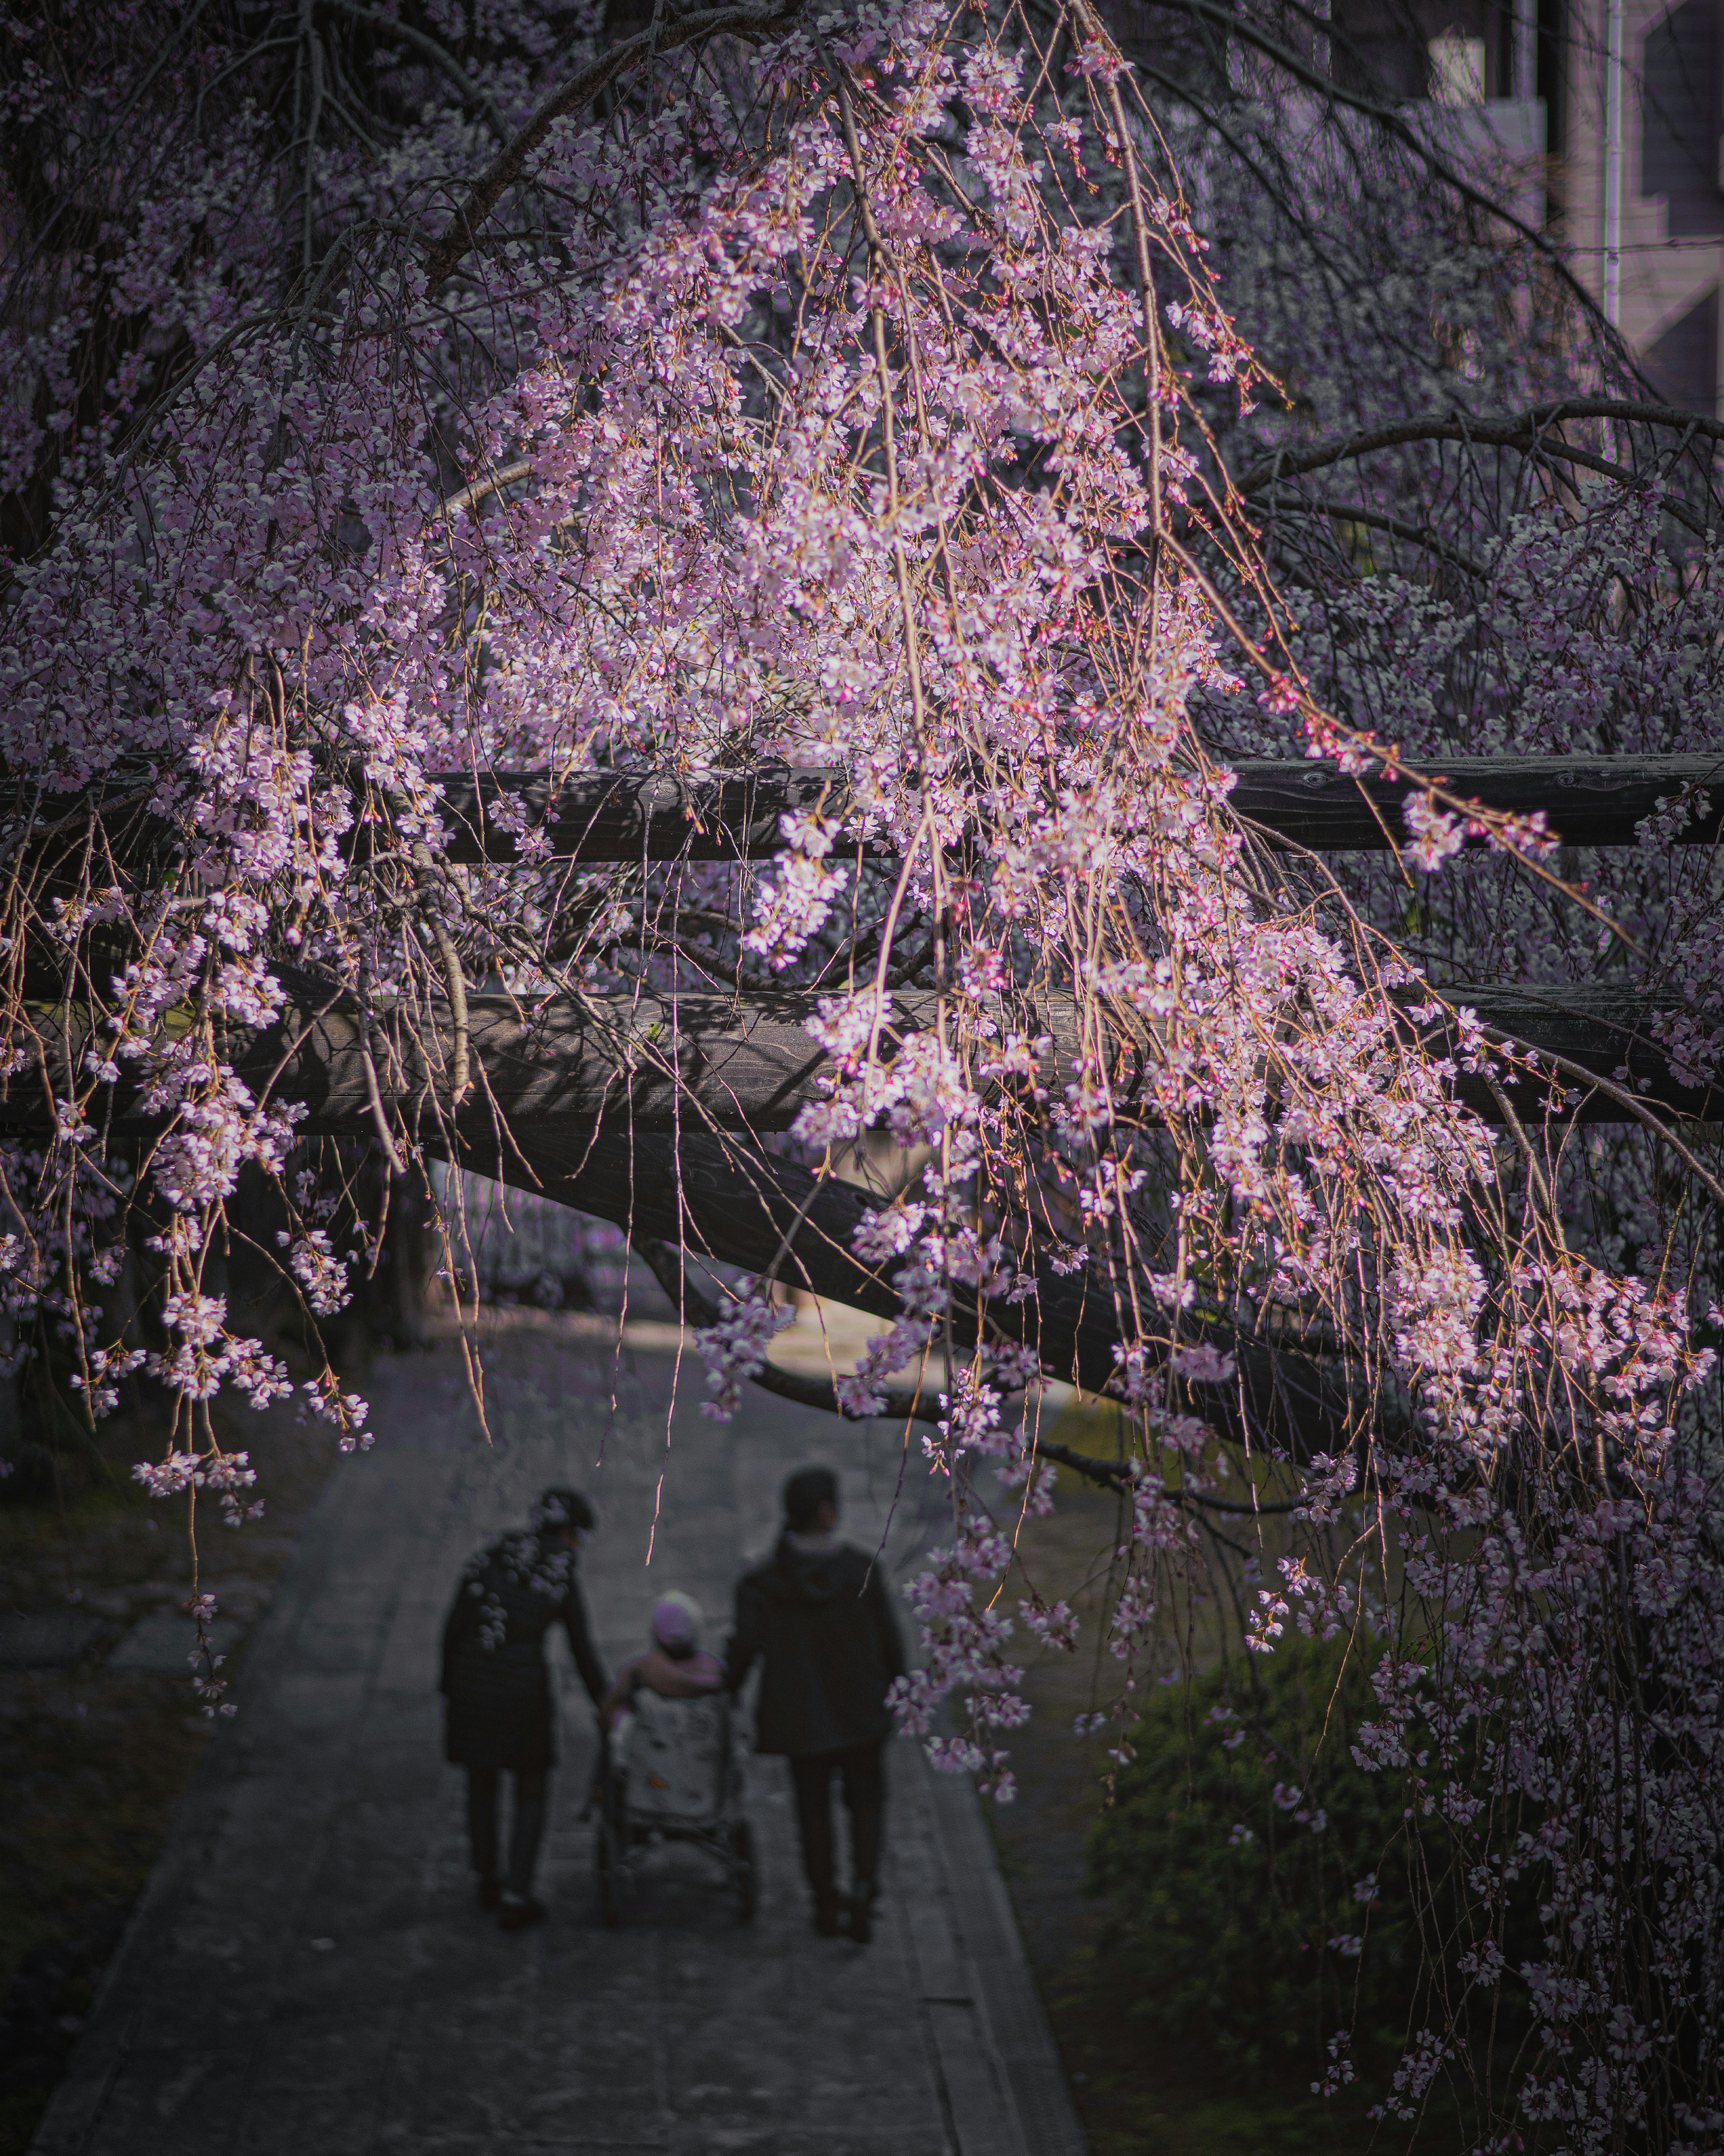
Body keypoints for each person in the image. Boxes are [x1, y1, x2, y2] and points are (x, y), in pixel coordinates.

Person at [725, 1465, 906, 1944]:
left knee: (813, 1811)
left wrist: (728, 1691)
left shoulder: (763, 1581)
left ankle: (826, 1902)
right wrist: (899, 1691)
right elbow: (891, 1647)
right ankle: (865, 1889)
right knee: (867, 1805)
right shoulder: (860, 1571)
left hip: (799, 1717)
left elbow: (743, 1646)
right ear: (826, 1511)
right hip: (860, 1711)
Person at [440, 1486, 607, 1931]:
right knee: (531, 1787)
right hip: (521, 1695)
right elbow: (582, 1650)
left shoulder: (491, 1555)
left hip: (471, 1685)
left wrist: (448, 1687)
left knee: (482, 1781)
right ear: (571, 1534)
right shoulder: (560, 1570)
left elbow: (454, 1627)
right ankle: (518, 1893)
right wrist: (607, 1704)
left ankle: (487, 1877)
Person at [599, 1591, 724, 1730]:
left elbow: (608, 1711)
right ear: (697, 1631)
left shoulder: (640, 1673)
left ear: (655, 1633)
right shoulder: (717, 1672)